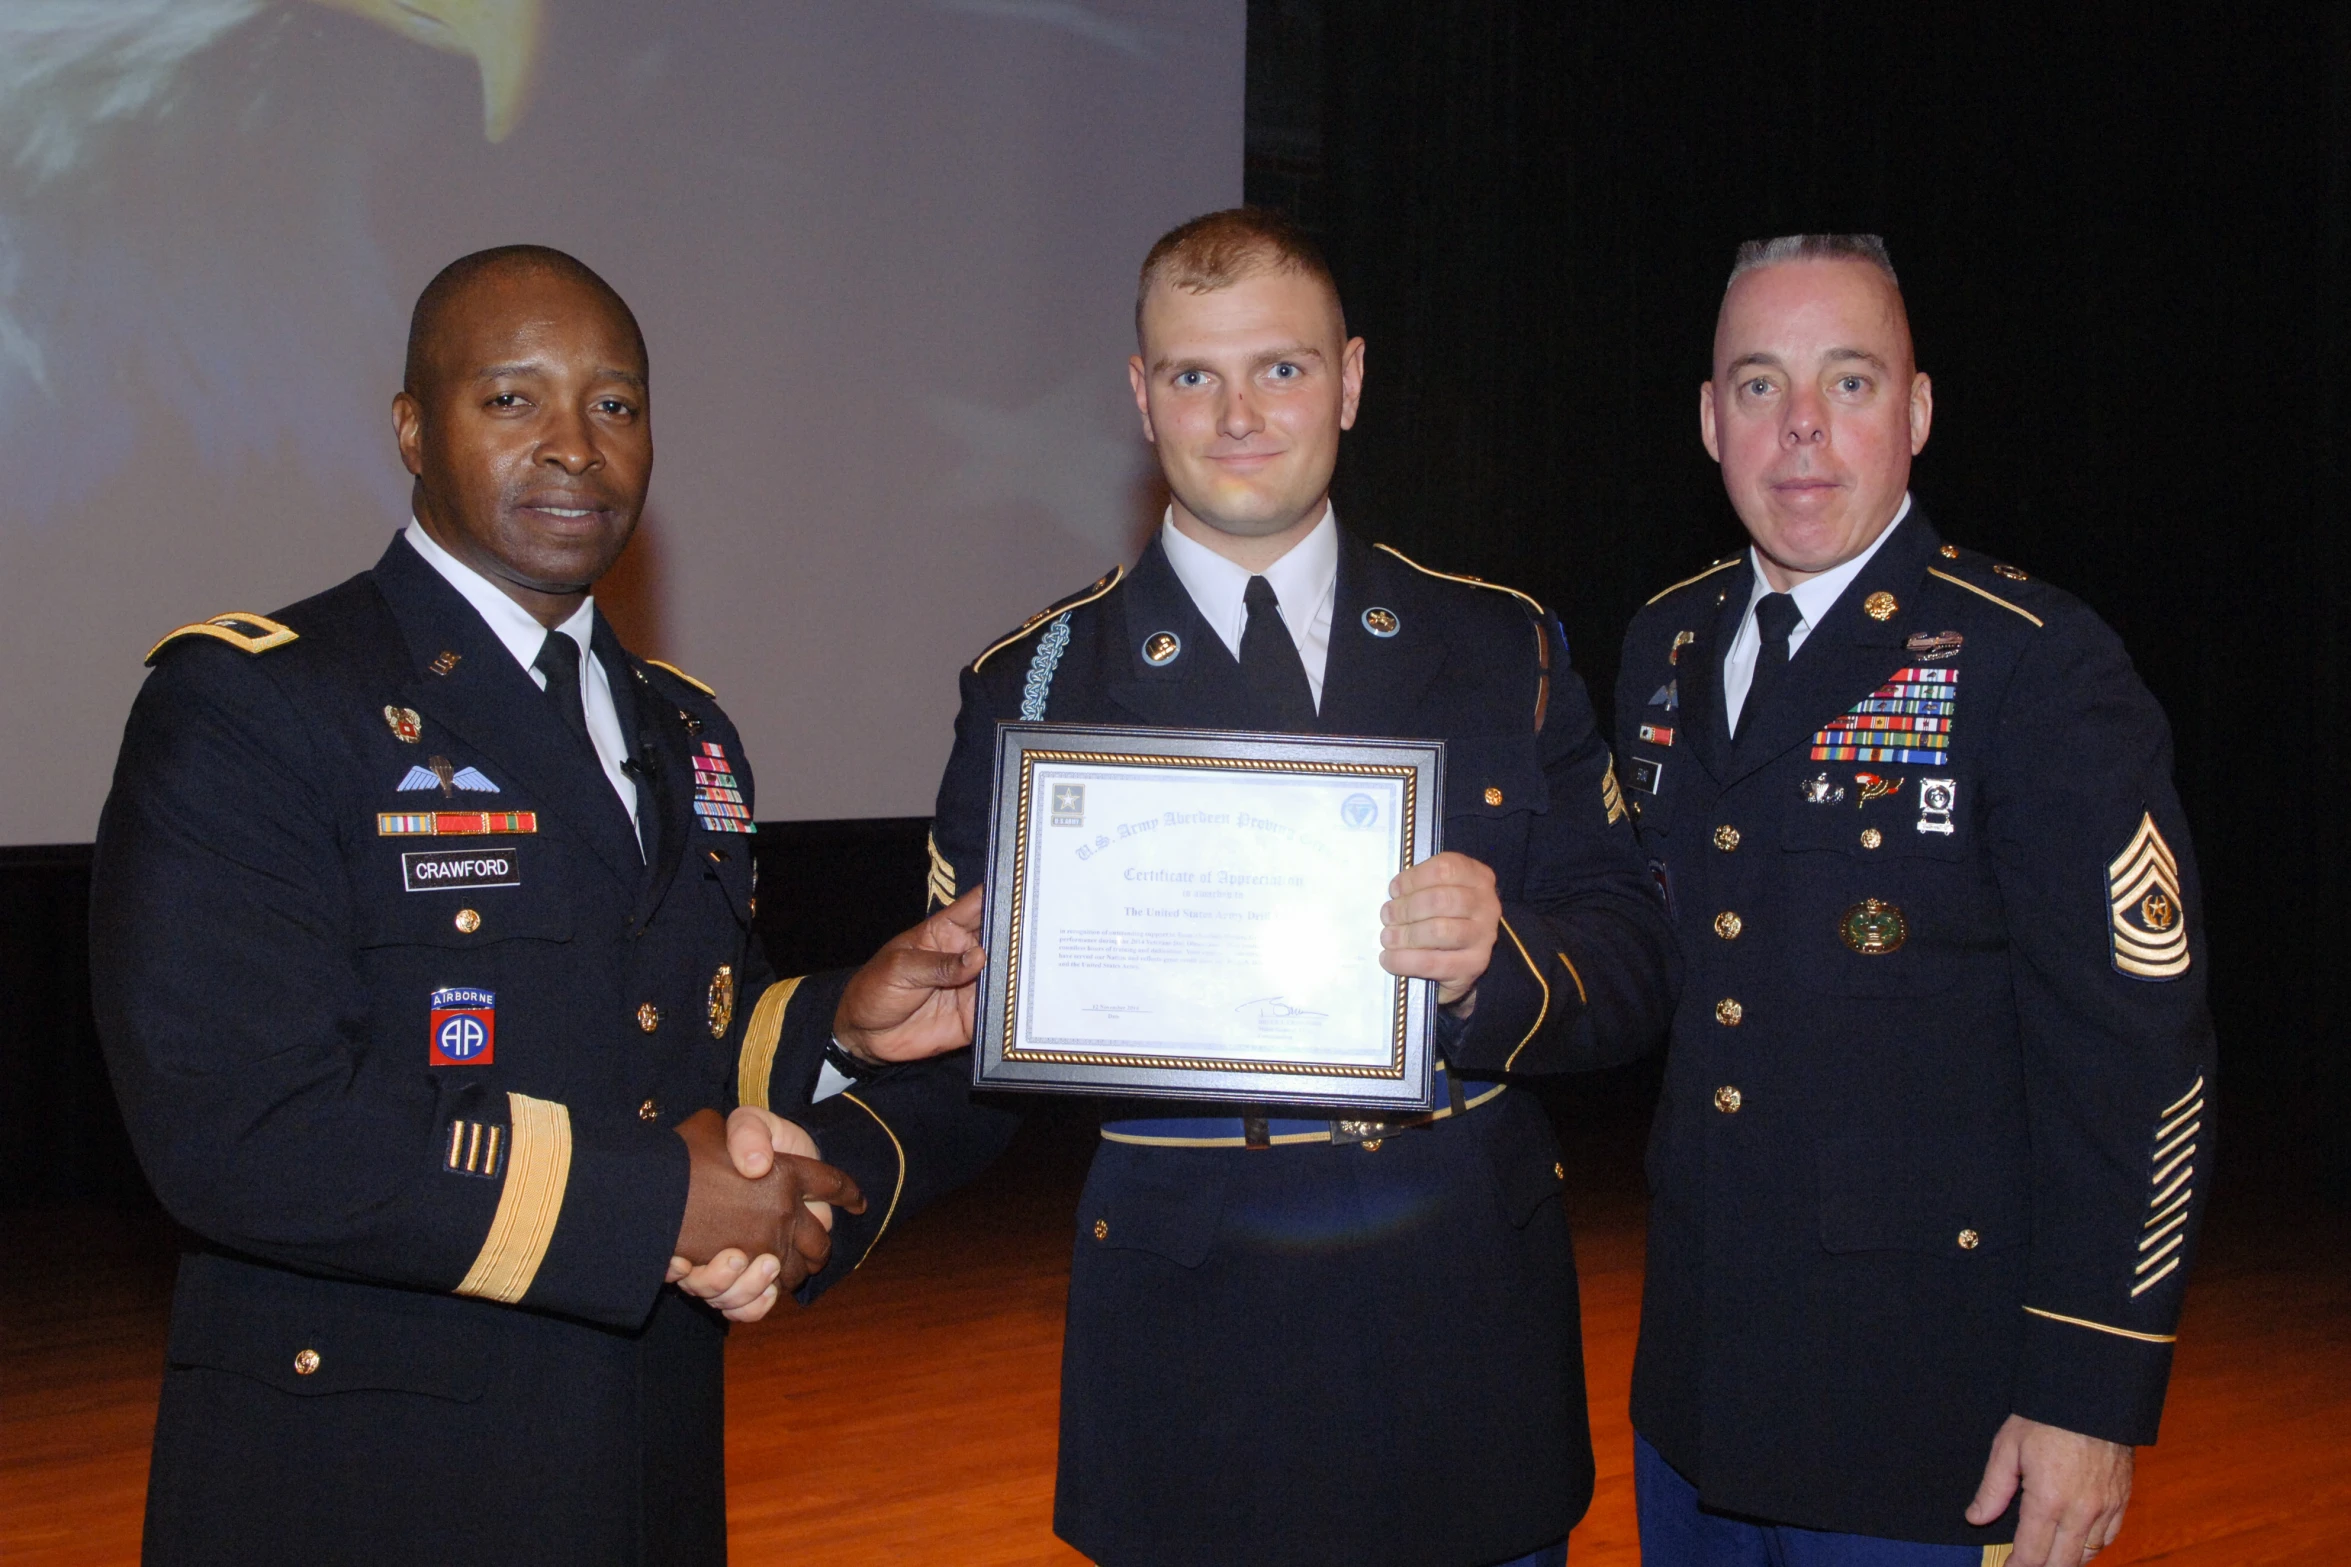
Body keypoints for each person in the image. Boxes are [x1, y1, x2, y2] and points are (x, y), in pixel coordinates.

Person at [90, 245, 993, 1565]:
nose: (575, 446)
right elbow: (239, 1125)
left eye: (615, 404)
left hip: (639, 1453)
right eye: (511, 399)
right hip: (364, 1473)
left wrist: (845, 1027)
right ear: (411, 426)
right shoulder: (259, 705)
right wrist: (660, 1205)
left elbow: (675, 1031)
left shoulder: (685, 727)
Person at [919, 207, 1677, 1566]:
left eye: (1280, 366)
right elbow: (956, 1031)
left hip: (1463, 1335)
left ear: (1351, 378)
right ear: (1138, 395)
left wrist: (1493, 965)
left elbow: (1633, 960)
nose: (1239, 413)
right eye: (1193, 374)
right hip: (1190, 1355)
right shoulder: (1036, 686)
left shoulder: (1505, 648)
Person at [1616, 234, 2216, 1567]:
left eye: (1850, 381)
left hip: (1926, 1419)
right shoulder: (1662, 641)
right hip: (1696, 1397)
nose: (1803, 433)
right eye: (1760, 387)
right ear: (1710, 419)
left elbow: (2136, 1056)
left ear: (1917, 412)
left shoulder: (2031, 665)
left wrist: (2085, 1385)